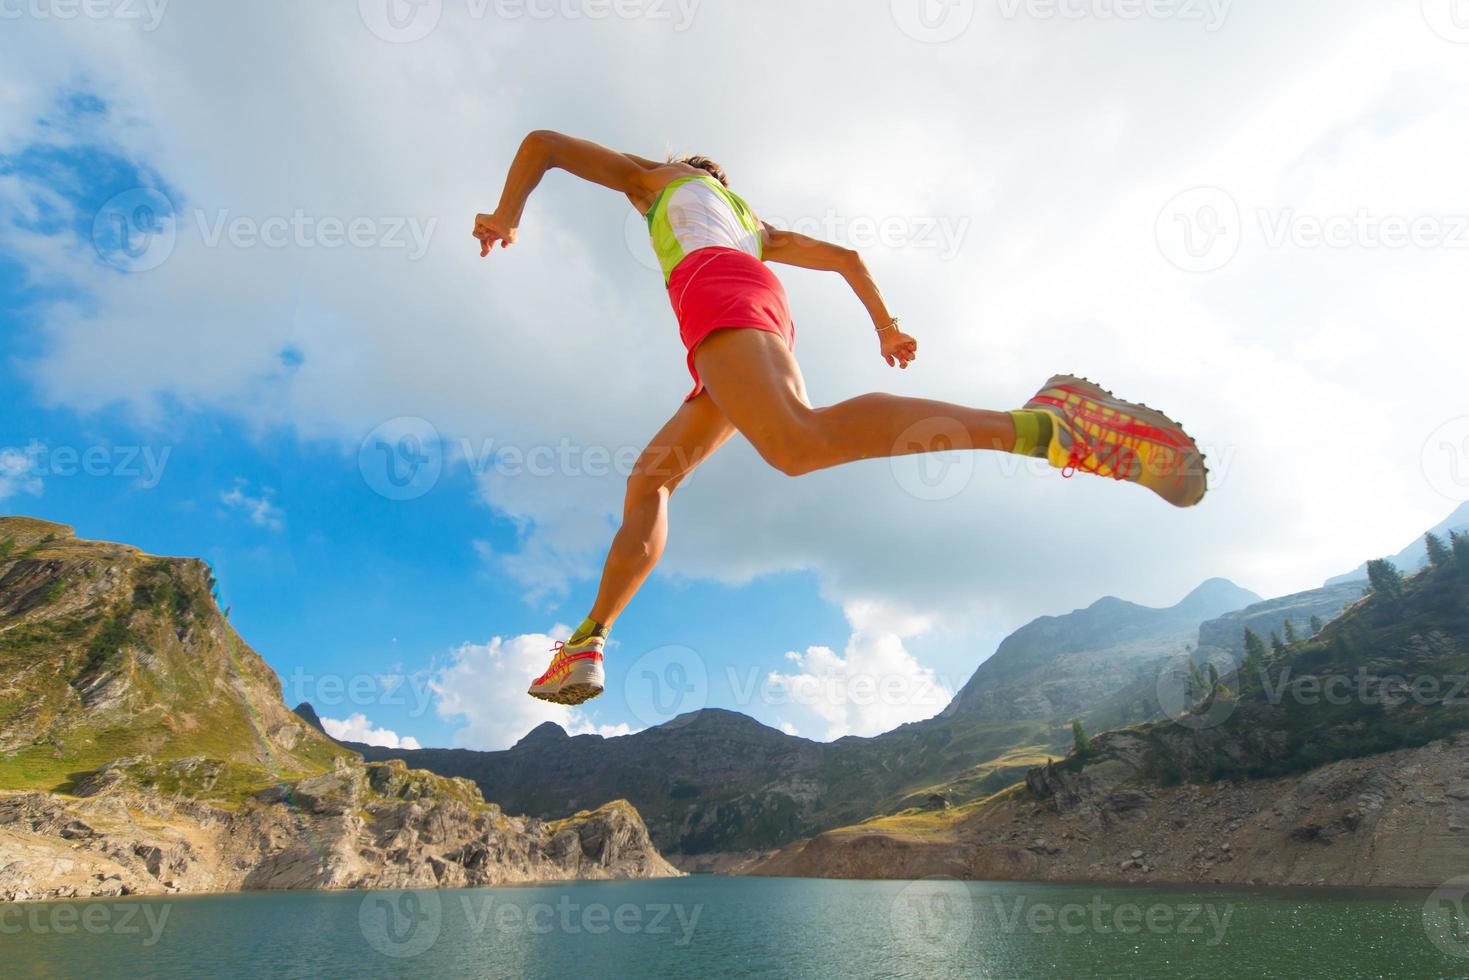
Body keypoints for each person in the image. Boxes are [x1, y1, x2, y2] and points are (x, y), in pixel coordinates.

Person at [472, 131, 1207, 706]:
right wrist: (885, 326)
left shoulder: (658, 181)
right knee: (651, 481)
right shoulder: (753, 224)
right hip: (746, 318)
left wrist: (506, 218)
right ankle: (589, 640)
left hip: (714, 297)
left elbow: (543, 143)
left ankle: (1046, 426)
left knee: (797, 445)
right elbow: (848, 256)